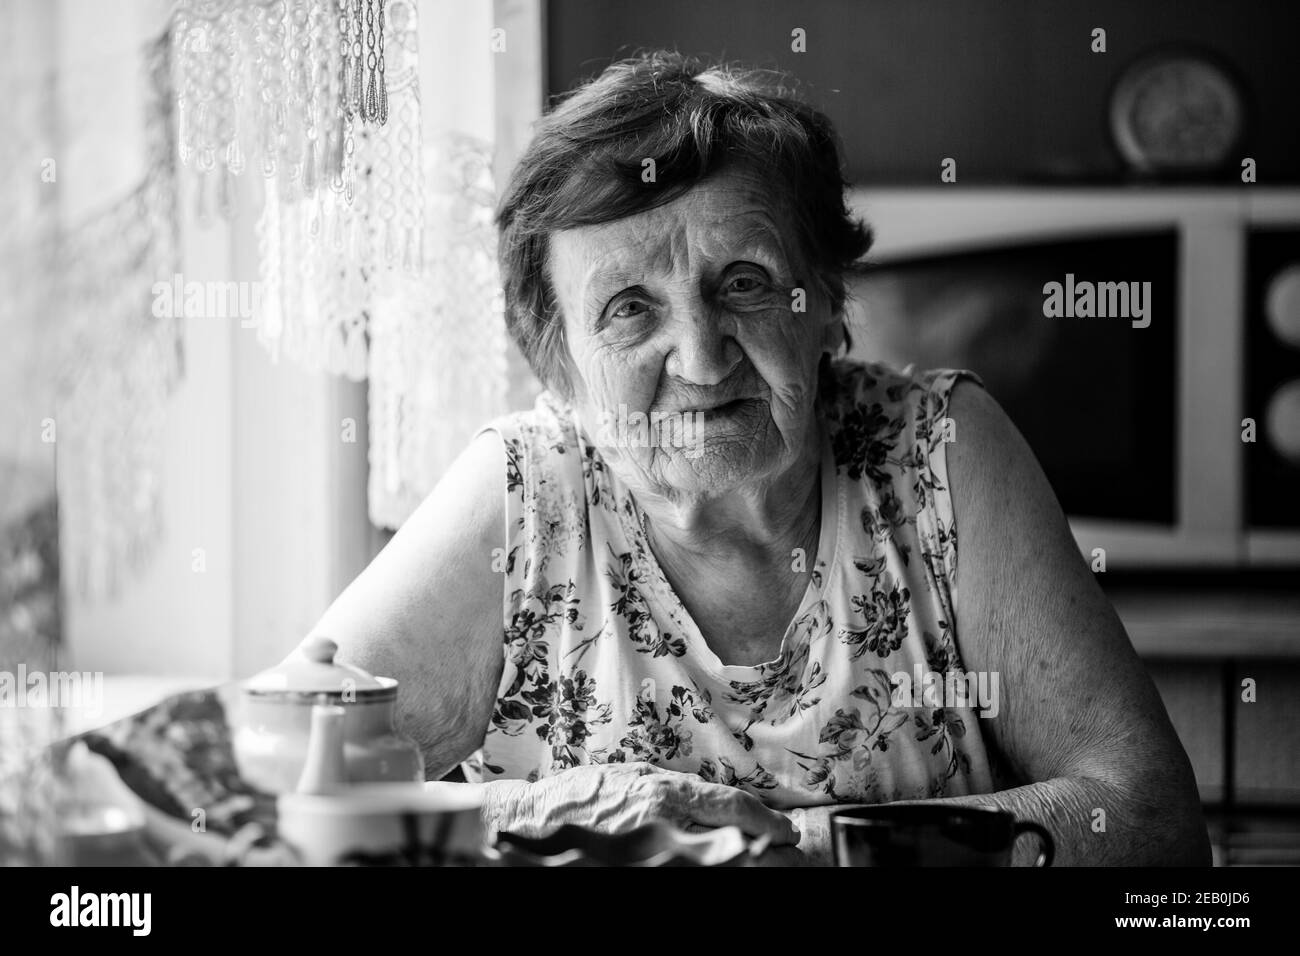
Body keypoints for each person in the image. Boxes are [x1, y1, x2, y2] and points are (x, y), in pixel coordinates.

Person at [311, 51, 1210, 865]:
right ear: (558, 364)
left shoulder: (938, 453)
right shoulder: (523, 494)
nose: (701, 359)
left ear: (825, 299)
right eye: (629, 308)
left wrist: (780, 850)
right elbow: (265, 795)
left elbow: (1150, 821)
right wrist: (572, 809)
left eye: (744, 282)